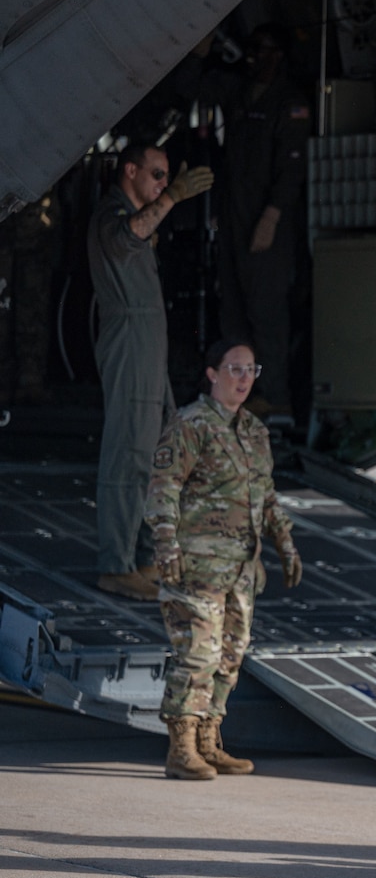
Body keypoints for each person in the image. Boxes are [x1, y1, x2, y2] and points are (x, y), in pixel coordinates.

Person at [145, 339, 302, 780]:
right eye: (235, 369)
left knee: (229, 656)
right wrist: (165, 544)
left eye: (251, 370)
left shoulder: (253, 430)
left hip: (240, 569)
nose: (244, 379)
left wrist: (284, 542)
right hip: (197, 564)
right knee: (196, 654)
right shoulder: (190, 425)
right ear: (212, 374)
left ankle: (209, 740)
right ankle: (181, 747)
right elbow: (164, 487)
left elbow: (265, 494)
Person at [89, 142, 214, 600]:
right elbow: (128, 236)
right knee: (128, 454)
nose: (163, 183)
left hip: (147, 343)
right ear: (130, 170)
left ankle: (142, 556)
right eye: (156, 174)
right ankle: (115, 565)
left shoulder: (133, 218)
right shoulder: (111, 217)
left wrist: (164, 201)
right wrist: (171, 198)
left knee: (157, 450)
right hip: (130, 340)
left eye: (166, 177)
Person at [182, 24, 311, 416]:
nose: (255, 56)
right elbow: (190, 88)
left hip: (266, 223)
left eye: (264, 49)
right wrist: (200, 51)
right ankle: (237, 392)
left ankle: (274, 393)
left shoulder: (289, 103)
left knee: (266, 311)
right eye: (252, 48)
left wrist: (272, 216)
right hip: (235, 219)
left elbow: (292, 168)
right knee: (234, 308)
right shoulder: (238, 92)